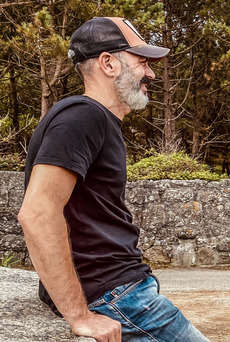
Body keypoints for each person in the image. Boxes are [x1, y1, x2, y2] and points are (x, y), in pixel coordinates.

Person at [17, 17, 209, 342]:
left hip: (120, 291)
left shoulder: (94, 119)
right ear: (108, 63)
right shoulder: (83, 116)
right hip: (115, 296)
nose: (150, 73)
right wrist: (79, 316)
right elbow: (37, 212)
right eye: (142, 62)